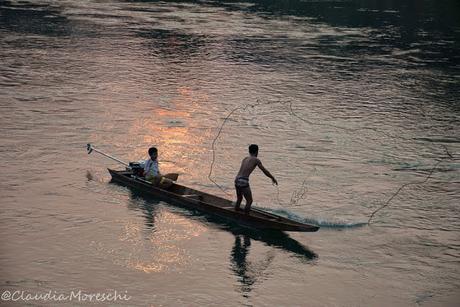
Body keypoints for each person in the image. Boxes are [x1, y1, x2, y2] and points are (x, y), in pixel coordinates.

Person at [234, 144, 278, 213]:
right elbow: (264, 171)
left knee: (239, 198)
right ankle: (245, 217)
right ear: (257, 152)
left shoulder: (245, 158)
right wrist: (272, 178)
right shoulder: (256, 160)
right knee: (249, 201)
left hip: (237, 179)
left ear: (249, 151)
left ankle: (236, 211)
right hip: (243, 181)